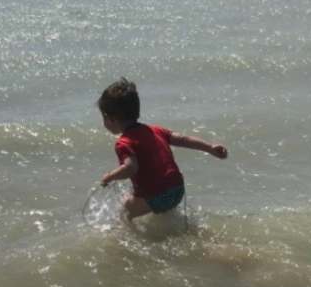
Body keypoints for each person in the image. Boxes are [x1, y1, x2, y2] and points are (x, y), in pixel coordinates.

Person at [98, 77, 228, 221]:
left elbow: (130, 168)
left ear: (110, 119)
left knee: (124, 211)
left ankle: (133, 239)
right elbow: (183, 139)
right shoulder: (155, 130)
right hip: (178, 190)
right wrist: (209, 147)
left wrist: (109, 176)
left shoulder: (124, 143)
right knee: (146, 197)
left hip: (157, 197)